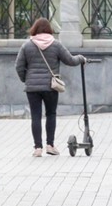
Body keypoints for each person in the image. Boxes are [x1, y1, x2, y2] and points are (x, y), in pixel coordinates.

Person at [14, 17, 83, 157]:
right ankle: (50, 145)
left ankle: (38, 148)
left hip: (32, 88)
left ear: (34, 29)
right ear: (49, 29)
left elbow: (18, 66)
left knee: (35, 116)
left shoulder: (27, 45)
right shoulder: (56, 45)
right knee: (51, 114)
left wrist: (26, 79)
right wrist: (81, 58)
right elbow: (70, 60)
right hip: (51, 86)